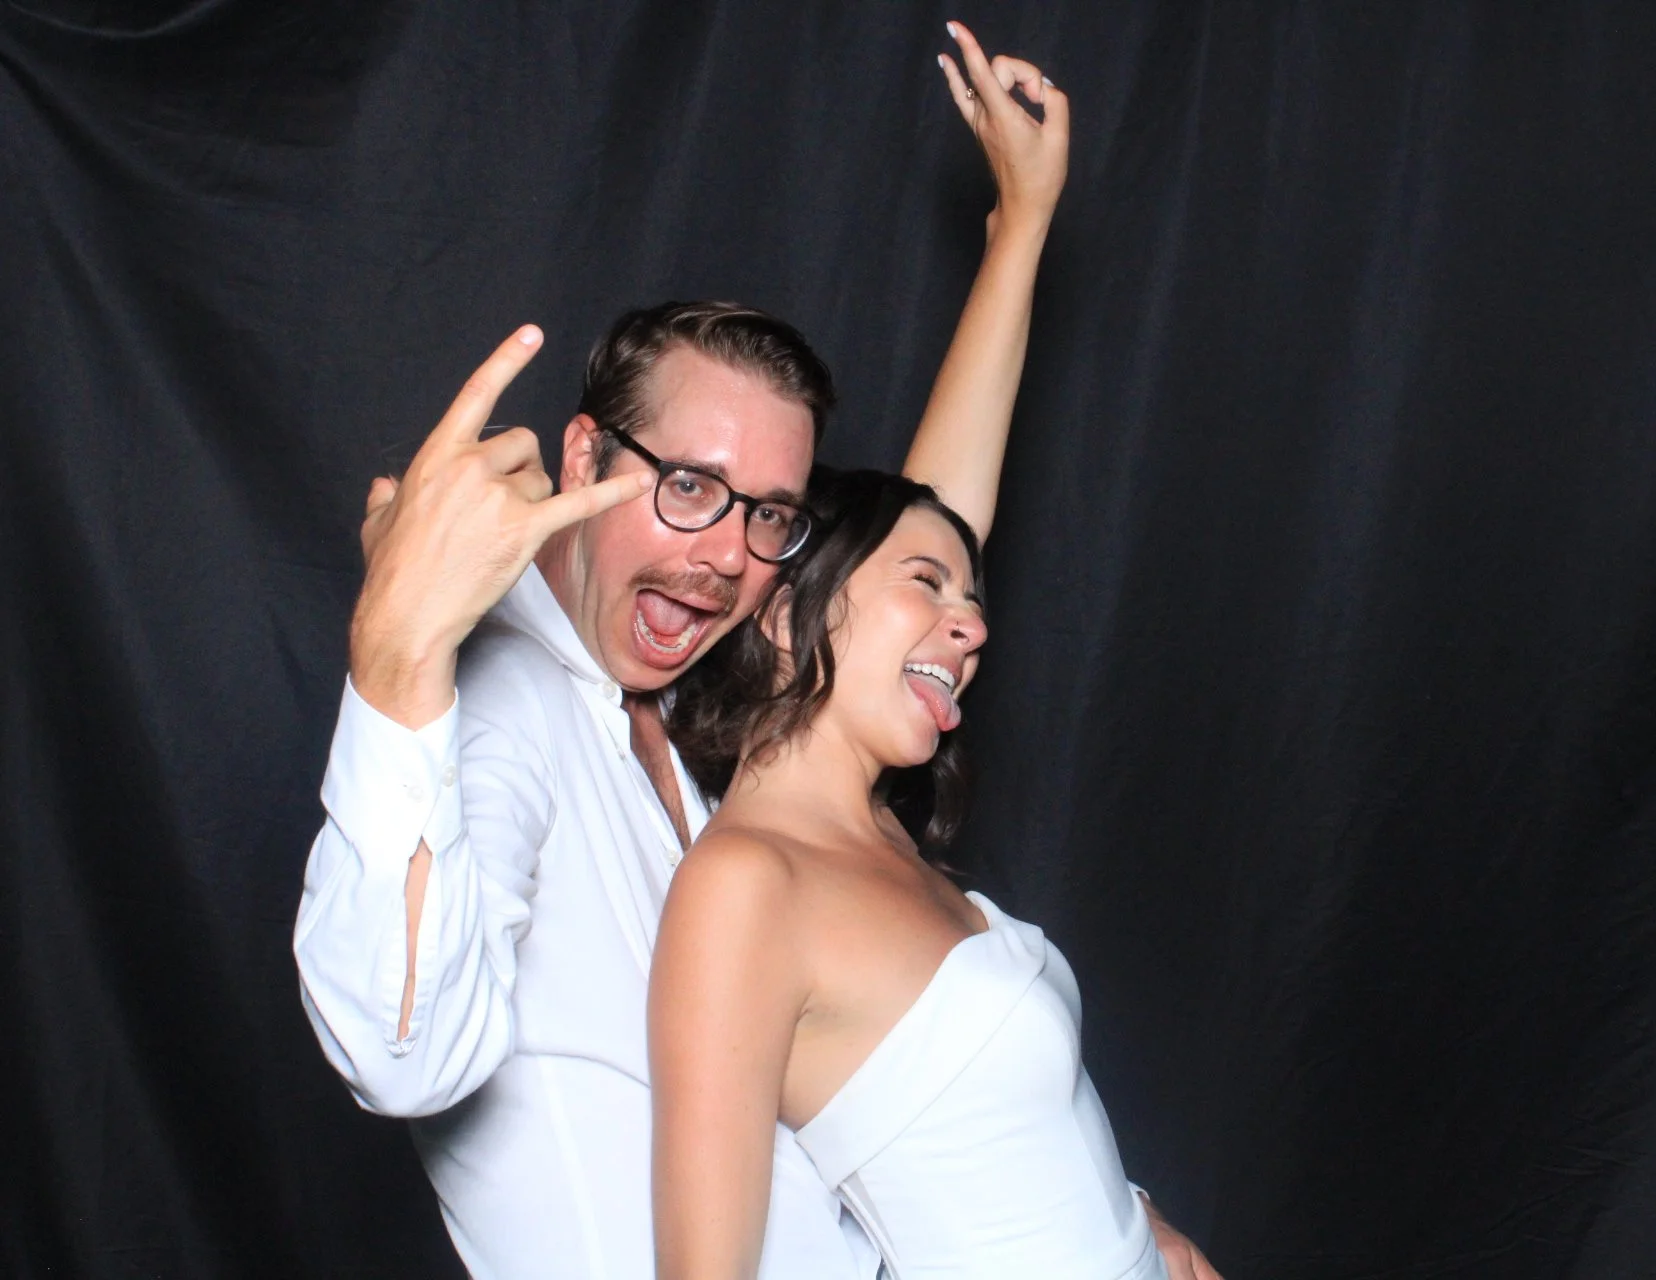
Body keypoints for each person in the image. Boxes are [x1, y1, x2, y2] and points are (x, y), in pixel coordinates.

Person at [296, 21, 1220, 1280]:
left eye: (766, 515)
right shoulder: (505, 706)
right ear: (584, 459)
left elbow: (908, 553)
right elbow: (400, 1053)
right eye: (686, 486)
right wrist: (399, 654)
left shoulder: (691, 733)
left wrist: (1019, 228)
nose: (726, 552)